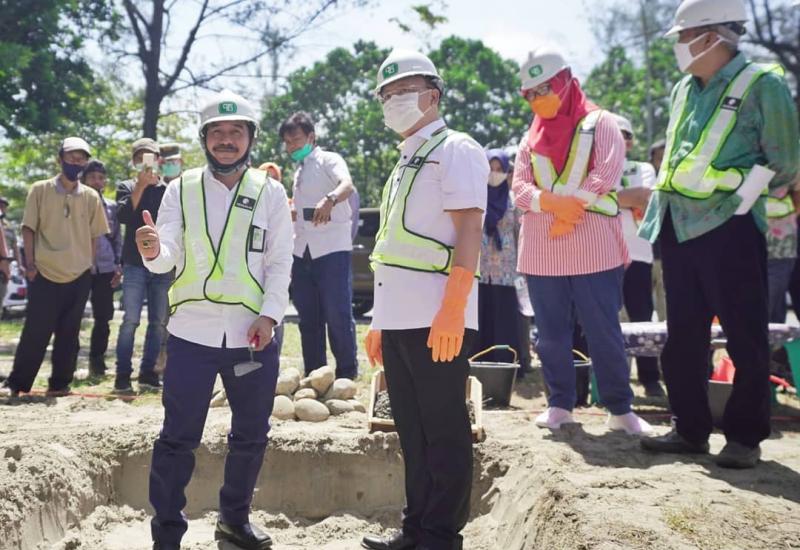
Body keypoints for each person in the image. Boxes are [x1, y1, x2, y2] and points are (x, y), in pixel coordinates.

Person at [638, 0, 800, 468]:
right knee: (683, 336)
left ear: (714, 36)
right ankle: (689, 429)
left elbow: (785, 161)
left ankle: (745, 438)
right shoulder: (681, 90)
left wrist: (741, 199)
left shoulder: (763, 84)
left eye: (685, 37)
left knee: (744, 335)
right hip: (676, 226)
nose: (681, 47)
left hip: (729, 229)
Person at [138, 89, 292, 550]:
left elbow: (280, 262)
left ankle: (234, 520)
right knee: (177, 439)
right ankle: (166, 534)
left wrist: (270, 316)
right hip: (191, 333)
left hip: (253, 334)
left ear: (250, 138)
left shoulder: (270, 191)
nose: (227, 140)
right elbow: (167, 256)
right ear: (205, 138)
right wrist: (151, 250)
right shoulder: (180, 189)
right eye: (218, 132)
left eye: (236, 132)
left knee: (250, 434)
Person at [361, 48, 488, 550]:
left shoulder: (456, 149)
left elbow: (470, 229)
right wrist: (379, 321)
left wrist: (454, 306)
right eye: (386, 95)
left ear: (432, 96)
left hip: (438, 315)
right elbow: (392, 248)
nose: (393, 102)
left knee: (444, 429)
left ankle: (441, 534)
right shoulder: (405, 161)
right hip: (399, 317)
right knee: (411, 432)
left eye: (403, 93)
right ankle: (415, 528)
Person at [511, 46, 652, 435]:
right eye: (531, 93)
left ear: (566, 82)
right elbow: (519, 188)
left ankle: (620, 409)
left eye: (546, 88)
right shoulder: (530, 138)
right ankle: (560, 404)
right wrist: (555, 204)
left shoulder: (601, 123)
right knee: (552, 335)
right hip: (542, 253)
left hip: (594, 250)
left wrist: (572, 210)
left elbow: (606, 171)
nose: (540, 99)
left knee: (603, 329)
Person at [0, 137, 109, 398]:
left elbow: (96, 236)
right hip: (44, 271)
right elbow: (28, 229)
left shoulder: (92, 196)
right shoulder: (39, 189)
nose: (76, 162)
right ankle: (17, 384)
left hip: (79, 273)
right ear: (59, 158)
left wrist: (88, 267)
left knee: (70, 333)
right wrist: (30, 266)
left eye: (81, 157)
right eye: (72, 156)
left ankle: (59, 384)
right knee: (36, 331)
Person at [280, 111, 359, 379]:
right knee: (308, 317)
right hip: (302, 252)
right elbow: (300, 212)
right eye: (288, 143)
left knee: (337, 314)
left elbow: (346, 185)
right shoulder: (299, 172)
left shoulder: (329, 159)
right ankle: (315, 374)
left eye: (297, 140)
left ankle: (346, 373)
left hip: (332, 249)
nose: (292, 147)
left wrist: (330, 199)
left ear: (311, 137)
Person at [114, 138, 174, 393]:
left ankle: (148, 373)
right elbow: (125, 216)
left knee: (159, 322)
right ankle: (122, 375)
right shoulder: (126, 185)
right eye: (139, 156)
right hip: (134, 264)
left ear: (159, 160)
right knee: (130, 320)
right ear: (134, 160)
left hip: (163, 265)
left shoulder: (169, 190)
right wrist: (140, 184)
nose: (144, 161)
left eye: (149, 156)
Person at [613, 115, 665, 397]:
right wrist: (620, 198)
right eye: (613, 134)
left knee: (642, 317)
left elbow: (644, 196)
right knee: (606, 318)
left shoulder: (642, 167)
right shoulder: (596, 167)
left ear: (631, 141)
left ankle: (649, 378)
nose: (619, 140)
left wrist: (605, 198)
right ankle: (612, 381)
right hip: (603, 255)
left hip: (639, 255)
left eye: (624, 135)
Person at [474, 148, 524, 369]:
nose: (495, 174)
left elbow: (520, 233)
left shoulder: (513, 201)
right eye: (490, 169)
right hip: (480, 270)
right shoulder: (475, 196)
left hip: (506, 271)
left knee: (505, 319)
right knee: (481, 317)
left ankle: (506, 364)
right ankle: (479, 362)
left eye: (499, 169)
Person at [81, 161, 123, 376]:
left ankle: (97, 361)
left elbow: (117, 238)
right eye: (92, 177)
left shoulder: (112, 207)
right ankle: (67, 361)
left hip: (106, 268)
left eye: (100, 177)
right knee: (70, 316)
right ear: (84, 180)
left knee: (103, 317)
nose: (97, 181)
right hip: (78, 268)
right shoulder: (77, 202)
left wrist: (118, 265)